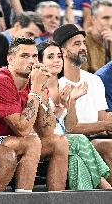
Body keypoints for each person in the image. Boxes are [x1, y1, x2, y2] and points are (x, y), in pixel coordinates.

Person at [0, 37, 69, 192]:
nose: (32, 61)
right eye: (25, 56)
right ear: (10, 59)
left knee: (59, 141)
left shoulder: (35, 82)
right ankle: (23, 199)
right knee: (31, 142)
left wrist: (41, 91)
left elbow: (47, 130)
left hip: (10, 139)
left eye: (34, 56)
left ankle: (57, 199)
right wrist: (35, 90)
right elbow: (22, 129)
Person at [37, 40, 112, 190]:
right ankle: (107, 189)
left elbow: (69, 126)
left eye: (58, 56)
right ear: (40, 62)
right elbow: (45, 128)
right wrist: (62, 105)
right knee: (79, 140)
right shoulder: (37, 88)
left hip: (65, 141)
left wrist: (72, 100)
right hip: (43, 141)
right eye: (50, 57)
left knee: (77, 161)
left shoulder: (64, 86)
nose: (57, 60)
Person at [53, 23, 112, 186]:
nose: (83, 47)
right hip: (74, 141)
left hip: (98, 137)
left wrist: (106, 123)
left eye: (83, 43)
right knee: (108, 146)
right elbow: (67, 128)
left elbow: (103, 123)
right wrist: (103, 124)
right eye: (77, 44)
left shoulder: (95, 80)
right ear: (62, 51)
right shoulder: (56, 84)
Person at [82, 0, 112, 73]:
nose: (111, 23)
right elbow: (82, 79)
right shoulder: (82, 42)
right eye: (106, 18)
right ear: (93, 19)